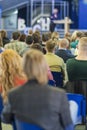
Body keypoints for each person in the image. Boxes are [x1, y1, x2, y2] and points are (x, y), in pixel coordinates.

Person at [1, 49, 74, 130]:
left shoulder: (13, 94)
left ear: (24, 68)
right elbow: (69, 126)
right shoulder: (59, 95)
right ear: (44, 68)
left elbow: (5, 119)